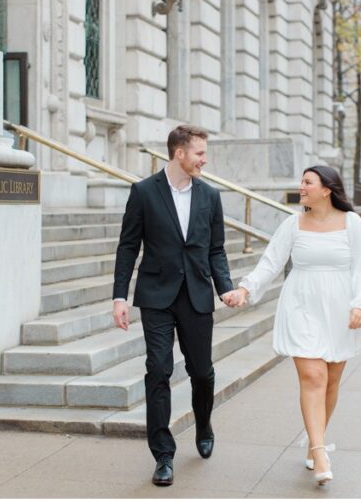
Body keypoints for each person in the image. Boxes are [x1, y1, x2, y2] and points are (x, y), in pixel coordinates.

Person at [223, 165, 361, 487]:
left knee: (332, 381)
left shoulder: (351, 223)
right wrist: (245, 289)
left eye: (308, 182)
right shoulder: (292, 224)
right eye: (302, 182)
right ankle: (320, 451)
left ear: (327, 189)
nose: (301, 187)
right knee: (313, 375)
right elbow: (270, 262)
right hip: (301, 306)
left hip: (340, 310)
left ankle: (313, 440)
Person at [111, 125, 236, 487]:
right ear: (179, 153)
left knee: (202, 372)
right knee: (158, 369)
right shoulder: (144, 192)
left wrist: (224, 288)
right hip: (157, 296)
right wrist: (120, 296)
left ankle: (203, 422)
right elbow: (127, 246)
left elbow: (216, 249)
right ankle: (163, 455)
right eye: (199, 152)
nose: (204, 159)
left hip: (197, 295)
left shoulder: (210, 196)